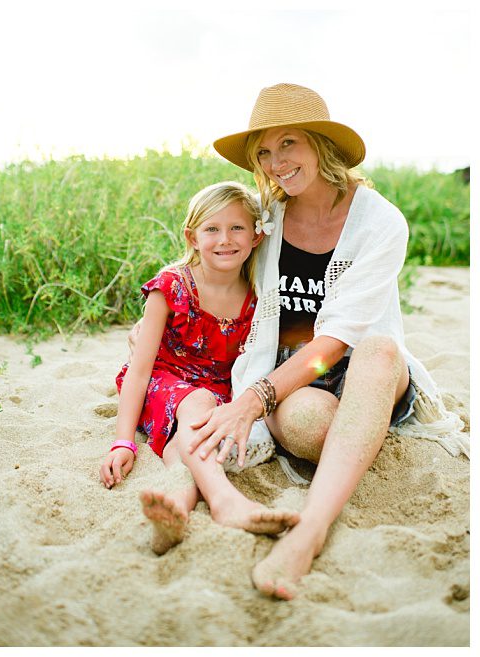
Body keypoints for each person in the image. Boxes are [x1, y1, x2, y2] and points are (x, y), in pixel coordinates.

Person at [191, 83, 465, 599]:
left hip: (362, 367)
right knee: (309, 424)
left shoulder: (380, 222)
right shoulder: (267, 219)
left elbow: (337, 342)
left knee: (379, 348)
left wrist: (253, 401)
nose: (276, 162)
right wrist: (163, 305)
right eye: (265, 152)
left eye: (289, 143)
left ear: (320, 144)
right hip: (298, 381)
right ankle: (357, 442)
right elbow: (213, 260)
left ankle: (311, 529)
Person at [100, 182, 298, 554]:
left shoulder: (259, 298)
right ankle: (225, 501)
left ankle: (178, 503)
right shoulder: (171, 287)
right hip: (163, 383)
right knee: (198, 402)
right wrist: (123, 440)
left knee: (184, 442)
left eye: (237, 227)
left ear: (256, 236)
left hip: (218, 395)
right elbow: (139, 371)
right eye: (212, 229)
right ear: (192, 236)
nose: (225, 239)